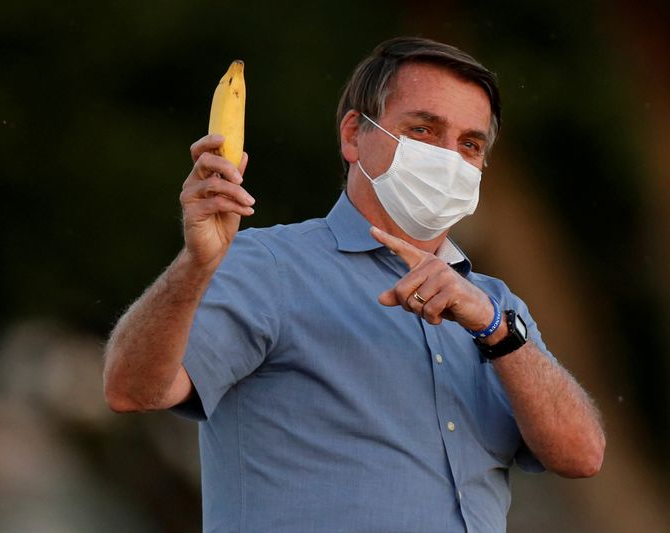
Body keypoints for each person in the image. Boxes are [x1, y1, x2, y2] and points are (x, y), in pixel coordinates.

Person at [103, 37, 605, 532]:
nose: (449, 157)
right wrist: (194, 264)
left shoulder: (496, 305)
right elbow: (132, 389)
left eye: (469, 145)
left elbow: (582, 455)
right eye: (424, 130)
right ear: (353, 135)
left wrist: (498, 331)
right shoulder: (268, 265)